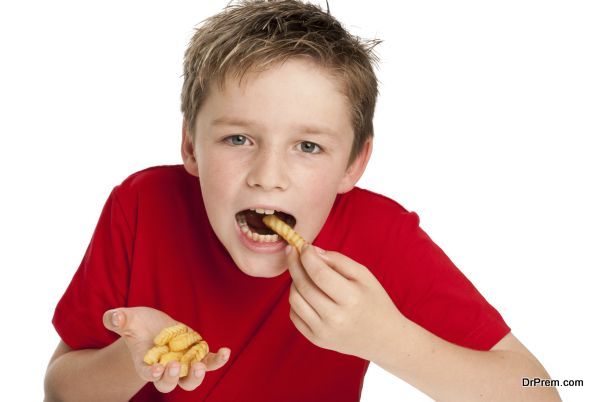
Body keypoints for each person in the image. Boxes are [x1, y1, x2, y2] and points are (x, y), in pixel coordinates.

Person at [44, 1, 560, 401]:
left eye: (308, 146)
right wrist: (131, 360)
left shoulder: (379, 236)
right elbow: (59, 389)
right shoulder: (142, 207)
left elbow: (539, 391)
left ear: (353, 164)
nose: (269, 178)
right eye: (238, 139)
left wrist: (385, 339)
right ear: (189, 146)